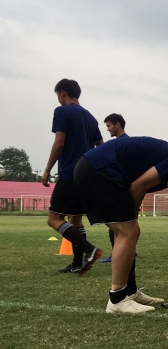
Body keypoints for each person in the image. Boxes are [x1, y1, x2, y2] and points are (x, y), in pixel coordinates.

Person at [74, 136, 168, 313]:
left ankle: (130, 291)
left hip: (96, 168)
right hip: (98, 169)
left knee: (126, 232)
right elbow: (138, 186)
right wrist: (132, 216)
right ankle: (117, 300)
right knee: (129, 231)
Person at [42, 79, 104, 274]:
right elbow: (100, 146)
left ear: (62, 93)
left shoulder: (62, 111)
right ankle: (77, 264)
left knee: (54, 219)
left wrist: (47, 170)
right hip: (86, 175)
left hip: (70, 173)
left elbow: (59, 143)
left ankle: (90, 249)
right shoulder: (90, 118)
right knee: (75, 220)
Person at [99, 113, 129, 263]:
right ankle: (127, 250)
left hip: (120, 189)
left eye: (109, 126)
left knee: (116, 224)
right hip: (120, 188)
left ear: (118, 125)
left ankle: (117, 253)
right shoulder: (120, 143)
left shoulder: (123, 144)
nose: (108, 129)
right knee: (122, 224)